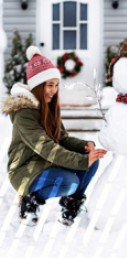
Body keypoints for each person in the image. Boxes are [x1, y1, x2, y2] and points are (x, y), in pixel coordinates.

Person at [2, 46, 107, 225]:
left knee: (92, 161)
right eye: (49, 85)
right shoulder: (24, 114)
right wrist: (82, 161)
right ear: (37, 86)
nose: (53, 90)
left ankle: (71, 206)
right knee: (70, 182)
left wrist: (85, 146)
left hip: (45, 164)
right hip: (24, 169)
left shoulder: (48, 109)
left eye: (56, 85)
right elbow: (46, 148)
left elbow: (62, 139)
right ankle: (29, 201)